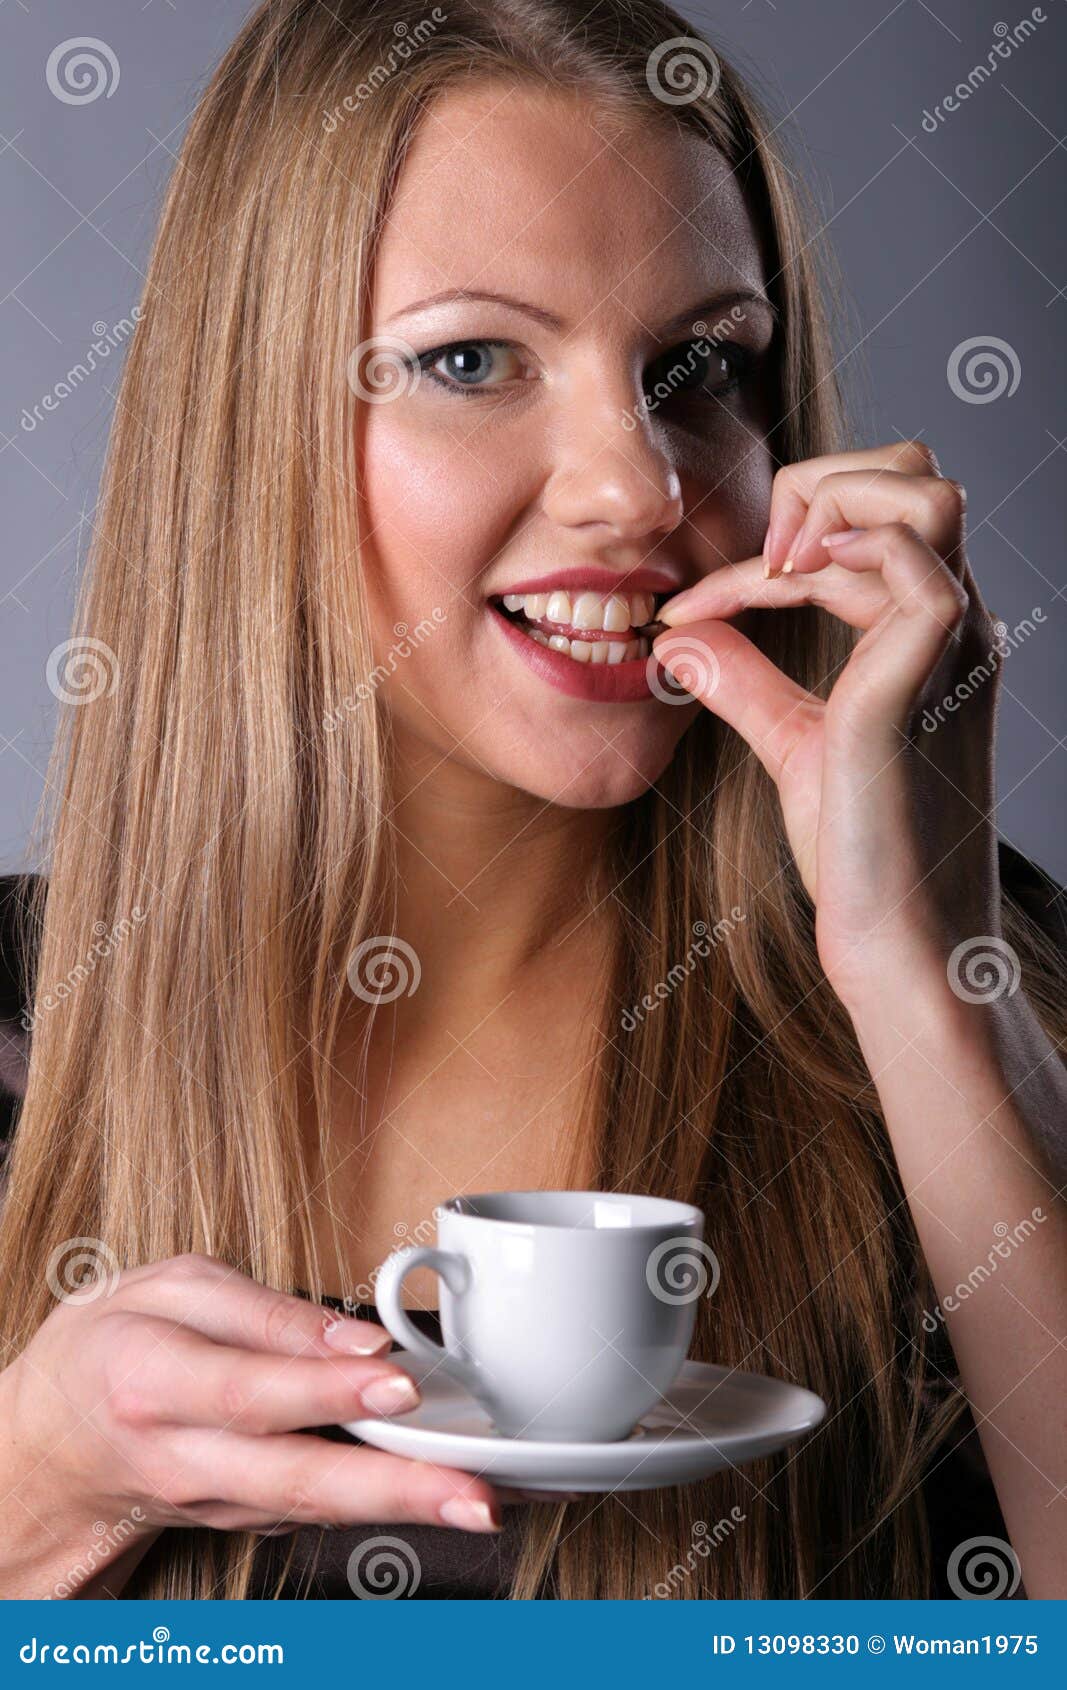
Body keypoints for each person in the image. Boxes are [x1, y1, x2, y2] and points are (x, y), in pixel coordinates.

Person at [0, 0, 1063, 1602]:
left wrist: (923, 975)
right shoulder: (25, 1024)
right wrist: (29, 1506)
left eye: (701, 367)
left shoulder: (994, 991)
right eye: (474, 359)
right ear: (255, 430)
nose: (639, 488)